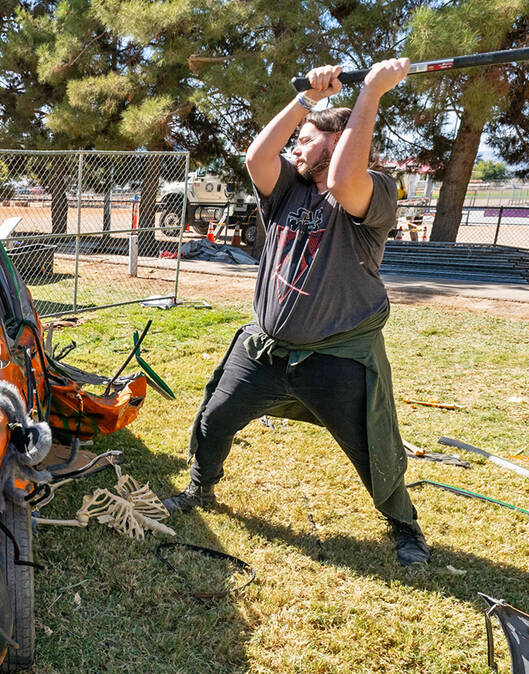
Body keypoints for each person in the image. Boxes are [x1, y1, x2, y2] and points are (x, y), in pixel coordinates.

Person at [161, 59, 430, 567]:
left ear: (334, 141)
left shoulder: (373, 192)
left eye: (306, 140)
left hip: (336, 356)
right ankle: (201, 487)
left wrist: (371, 93)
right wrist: (306, 99)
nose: (296, 147)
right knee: (215, 419)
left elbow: (346, 175)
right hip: (264, 350)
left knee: (372, 448)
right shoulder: (288, 187)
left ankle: (404, 528)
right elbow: (257, 156)